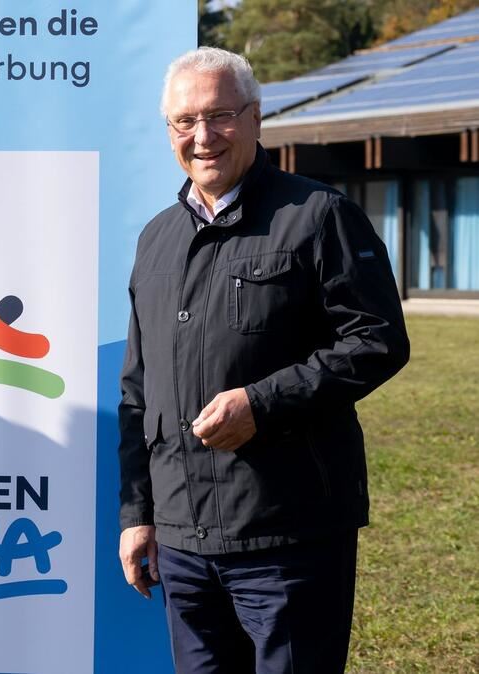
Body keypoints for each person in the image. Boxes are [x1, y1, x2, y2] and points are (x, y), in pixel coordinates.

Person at [117, 47, 409, 673]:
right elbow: (139, 395)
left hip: (286, 536)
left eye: (219, 115)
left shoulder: (319, 215)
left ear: (255, 117)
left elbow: (377, 339)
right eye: (184, 122)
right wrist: (139, 515)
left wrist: (261, 403)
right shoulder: (155, 239)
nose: (202, 137)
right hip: (182, 542)